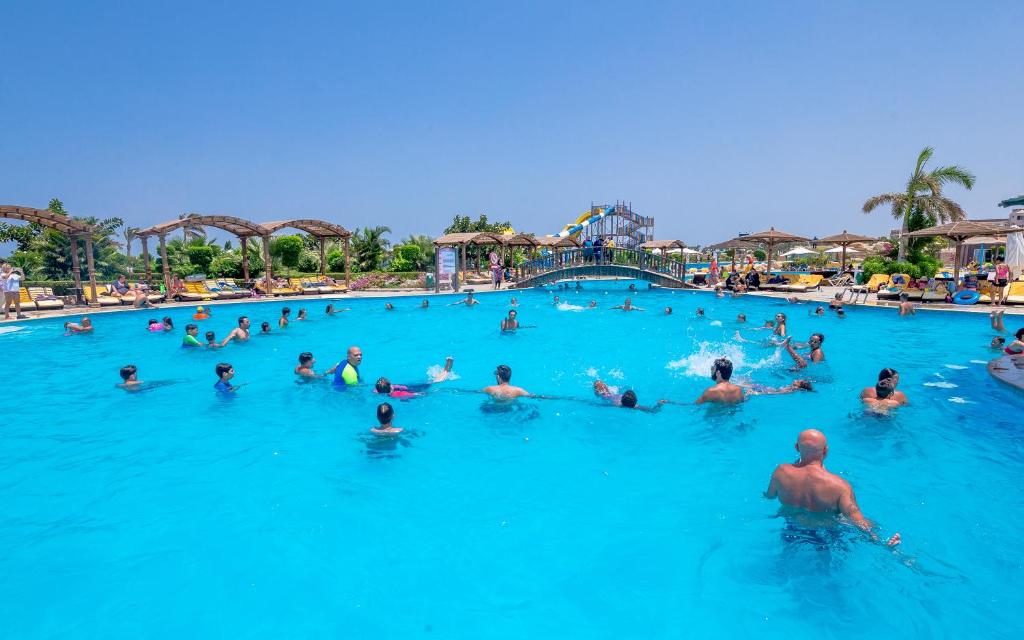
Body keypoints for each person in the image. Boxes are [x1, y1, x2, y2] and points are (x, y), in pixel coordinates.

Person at [765, 429, 900, 546]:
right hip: (825, 535)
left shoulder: (780, 472)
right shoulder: (840, 486)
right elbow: (859, 522)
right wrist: (880, 541)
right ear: (826, 451)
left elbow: (769, 496)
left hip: (791, 528)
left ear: (796, 447)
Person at [375, 356, 455, 398]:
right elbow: (413, 394)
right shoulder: (396, 394)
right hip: (412, 388)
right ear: (390, 386)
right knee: (432, 382)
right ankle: (447, 368)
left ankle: (446, 370)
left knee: (433, 382)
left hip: (411, 388)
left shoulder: (382, 391)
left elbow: (413, 394)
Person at [593, 380, 664, 412]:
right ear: (636, 401)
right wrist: (659, 404)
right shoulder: (637, 407)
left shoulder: (616, 404)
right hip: (612, 397)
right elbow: (653, 410)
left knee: (598, 384)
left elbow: (601, 405)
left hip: (610, 396)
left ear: (621, 399)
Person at [743, 379, 814, 396]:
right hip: (767, 389)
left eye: (798, 381)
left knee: (747, 384)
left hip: (766, 390)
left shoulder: (792, 389)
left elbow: (777, 393)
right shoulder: (792, 388)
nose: (795, 380)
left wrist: (757, 393)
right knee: (748, 382)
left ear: (798, 386)